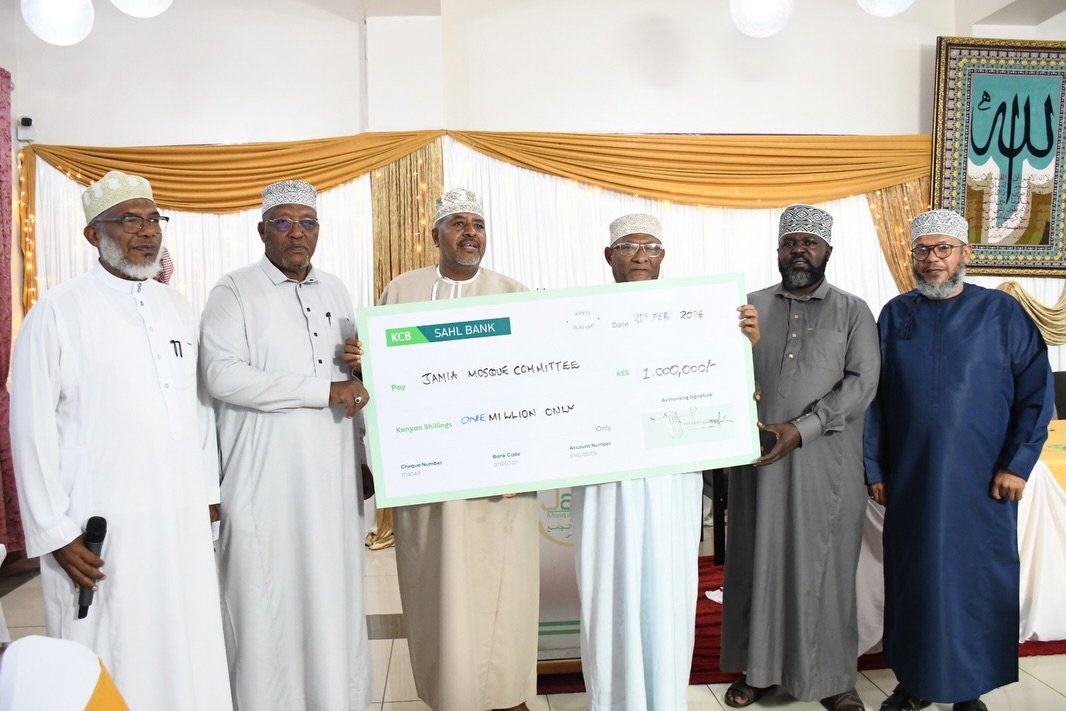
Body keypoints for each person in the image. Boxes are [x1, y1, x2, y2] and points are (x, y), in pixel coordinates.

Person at [9, 170, 232, 710]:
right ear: (93, 234)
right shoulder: (57, 312)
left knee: (187, 648)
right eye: (130, 220)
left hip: (178, 522)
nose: (148, 232)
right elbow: (29, 427)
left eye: (154, 219)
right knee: (111, 654)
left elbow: (199, 413)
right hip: (97, 531)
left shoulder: (177, 309)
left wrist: (206, 498)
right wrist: (55, 533)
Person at [864, 209, 1053, 711]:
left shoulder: (1002, 313)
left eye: (943, 249)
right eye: (923, 250)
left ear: (966, 254)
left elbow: (1036, 393)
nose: (932, 260)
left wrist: (1018, 463)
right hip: (911, 480)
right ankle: (914, 682)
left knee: (973, 583)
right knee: (914, 581)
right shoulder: (895, 314)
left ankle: (968, 686)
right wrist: (875, 468)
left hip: (983, 482)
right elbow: (874, 401)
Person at [570, 213, 759, 710]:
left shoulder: (697, 316)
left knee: (666, 587)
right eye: (628, 247)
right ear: (608, 256)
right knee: (608, 589)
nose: (639, 255)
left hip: (670, 480)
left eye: (650, 246)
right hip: (604, 480)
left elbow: (726, 390)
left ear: (663, 257)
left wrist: (744, 350)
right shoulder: (574, 318)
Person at [200, 179, 372, 711]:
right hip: (265, 482)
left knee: (333, 605)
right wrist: (324, 389)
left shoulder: (336, 289)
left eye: (307, 222)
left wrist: (361, 372)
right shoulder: (234, 291)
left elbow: (353, 379)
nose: (296, 233)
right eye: (283, 222)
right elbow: (222, 376)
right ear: (262, 230)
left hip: (333, 479)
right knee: (266, 607)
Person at [375, 187, 538, 711]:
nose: (471, 233)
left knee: (503, 588)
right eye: (458, 224)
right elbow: (384, 382)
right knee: (436, 588)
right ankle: (448, 694)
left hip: (500, 478)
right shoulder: (402, 292)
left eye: (478, 224)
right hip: (431, 479)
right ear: (435, 235)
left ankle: (508, 694)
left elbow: (539, 379)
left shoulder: (515, 292)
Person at [720, 204, 879, 711]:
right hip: (759, 463)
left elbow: (862, 384)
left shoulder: (854, 311)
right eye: (791, 243)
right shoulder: (747, 307)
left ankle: (835, 680)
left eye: (810, 243)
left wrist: (801, 428)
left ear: (828, 251)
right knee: (757, 562)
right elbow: (718, 371)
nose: (799, 251)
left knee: (825, 570)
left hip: (824, 466)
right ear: (778, 250)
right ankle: (760, 671)